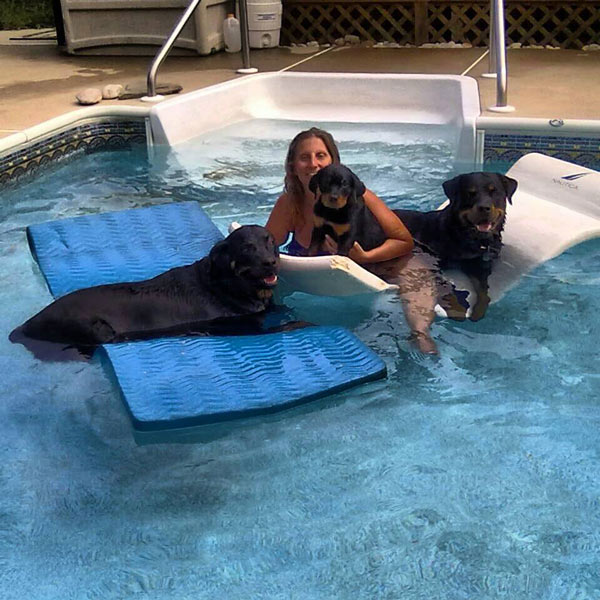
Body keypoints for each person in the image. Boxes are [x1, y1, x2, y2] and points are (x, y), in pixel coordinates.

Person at [265, 127, 440, 355]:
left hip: (377, 265)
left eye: (321, 156)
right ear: (293, 166)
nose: (313, 164)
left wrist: (365, 257)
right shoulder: (289, 205)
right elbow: (265, 250)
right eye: (304, 157)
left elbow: (403, 241)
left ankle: (420, 336)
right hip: (323, 284)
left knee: (417, 273)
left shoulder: (359, 196)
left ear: (333, 161)